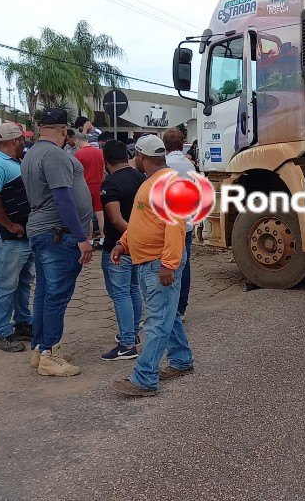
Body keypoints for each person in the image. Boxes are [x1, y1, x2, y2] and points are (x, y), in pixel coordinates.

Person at [109, 134, 192, 397]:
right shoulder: (153, 183)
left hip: (159, 263)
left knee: (156, 321)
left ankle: (145, 378)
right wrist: (124, 243)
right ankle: (181, 360)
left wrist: (168, 263)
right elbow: (142, 221)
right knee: (168, 315)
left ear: (141, 157)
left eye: (136, 155)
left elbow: (175, 225)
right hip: (152, 260)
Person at [22, 107, 94, 377]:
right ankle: (50, 353)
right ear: (64, 130)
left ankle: (41, 349)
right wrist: (81, 237)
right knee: (56, 295)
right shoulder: (53, 155)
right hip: (58, 233)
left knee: (44, 293)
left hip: (45, 232)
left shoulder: (33, 153)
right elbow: (63, 198)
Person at [0, 122, 35, 353]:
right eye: (23, 139)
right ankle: (2, 332)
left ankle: (22, 322)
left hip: (22, 237)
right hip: (7, 237)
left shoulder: (14, 162)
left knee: (23, 282)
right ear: (15, 141)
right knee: (4, 285)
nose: (25, 143)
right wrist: (9, 225)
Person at [98, 140, 147, 360]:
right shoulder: (141, 178)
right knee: (133, 289)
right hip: (137, 247)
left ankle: (127, 343)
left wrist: (129, 239)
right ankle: (133, 334)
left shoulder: (110, 184)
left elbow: (116, 220)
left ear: (105, 160)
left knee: (120, 294)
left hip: (117, 247)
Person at [163, 128, 196, 318]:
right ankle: (181, 309)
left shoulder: (164, 164)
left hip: (169, 224)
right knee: (185, 267)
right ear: (182, 143)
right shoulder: (190, 165)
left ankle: (168, 310)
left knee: (168, 266)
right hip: (187, 222)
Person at [73, 132, 106, 247]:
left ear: (77, 140)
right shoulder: (99, 153)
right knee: (100, 212)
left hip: (85, 186)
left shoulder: (78, 154)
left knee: (88, 214)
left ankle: (90, 238)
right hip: (98, 184)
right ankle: (103, 237)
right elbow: (104, 170)